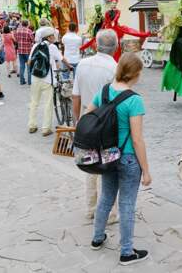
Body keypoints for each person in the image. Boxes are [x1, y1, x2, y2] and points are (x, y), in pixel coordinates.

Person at [89, 52, 151, 266]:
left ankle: (97, 238)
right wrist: (146, 170)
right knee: (126, 204)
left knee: (106, 197)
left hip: (107, 155)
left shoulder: (104, 91)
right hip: (127, 158)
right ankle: (126, 252)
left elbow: (88, 117)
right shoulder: (134, 100)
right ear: (135, 73)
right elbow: (137, 140)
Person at [72, 29, 119, 221]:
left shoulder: (82, 64)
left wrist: (77, 121)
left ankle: (91, 207)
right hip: (108, 120)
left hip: (86, 114)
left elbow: (75, 95)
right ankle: (109, 211)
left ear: (95, 45)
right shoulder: (115, 69)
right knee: (108, 164)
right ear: (116, 47)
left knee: (90, 163)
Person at [27, 27, 69, 136]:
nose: (54, 37)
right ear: (49, 37)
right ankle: (46, 128)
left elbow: (29, 62)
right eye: (53, 35)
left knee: (34, 102)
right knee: (48, 104)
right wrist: (70, 66)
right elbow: (62, 59)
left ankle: (32, 125)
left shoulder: (35, 46)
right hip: (47, 79)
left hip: (35, 78)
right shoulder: (52, 47)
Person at [15, 19, 35, 85]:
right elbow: (32, 40)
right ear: (27, 24)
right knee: (29, 66)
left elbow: (16, 40)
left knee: (22, 66)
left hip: (20, 50)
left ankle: (22, 80)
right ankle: (29, 81)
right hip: (28, 50)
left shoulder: (18, 30)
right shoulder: (29, 31)